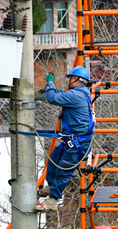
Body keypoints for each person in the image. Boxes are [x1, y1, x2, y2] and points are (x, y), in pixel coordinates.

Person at [36, 66, 94, 212]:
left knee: (64, 171)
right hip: (73, 141)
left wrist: (50, 84)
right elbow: (63, 94)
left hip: (77, 144)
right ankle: (51, 187)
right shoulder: (80, 94)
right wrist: (55, 89)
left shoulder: (75, 96)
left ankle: (53, 200)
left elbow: (53, 98)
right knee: (55, 158)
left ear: (76, 79)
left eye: (70, 78)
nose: (69, 80)